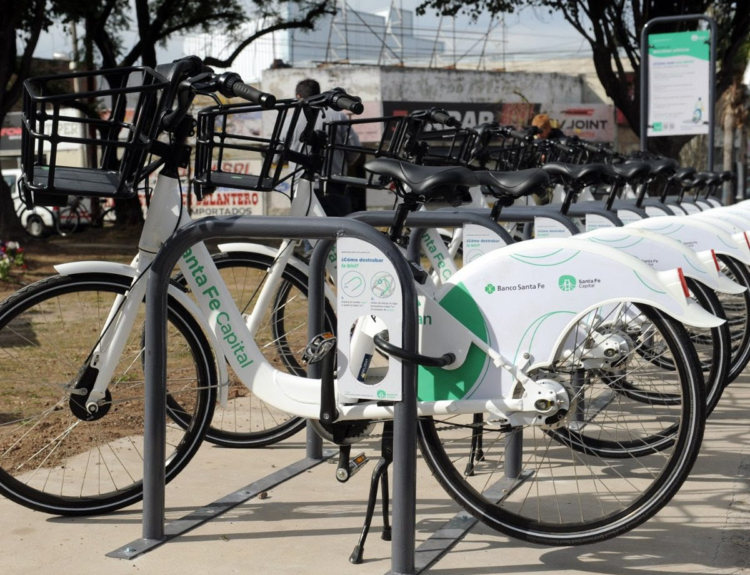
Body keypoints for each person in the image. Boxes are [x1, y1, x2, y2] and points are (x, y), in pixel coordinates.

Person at [287, 79, 361, 216]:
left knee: (304, 227)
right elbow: (354, 149)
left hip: (299, 185)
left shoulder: (290, 119)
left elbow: (278, 154)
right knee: (341, 226)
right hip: (333, 184)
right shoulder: (338, 116)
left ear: (298, 96)